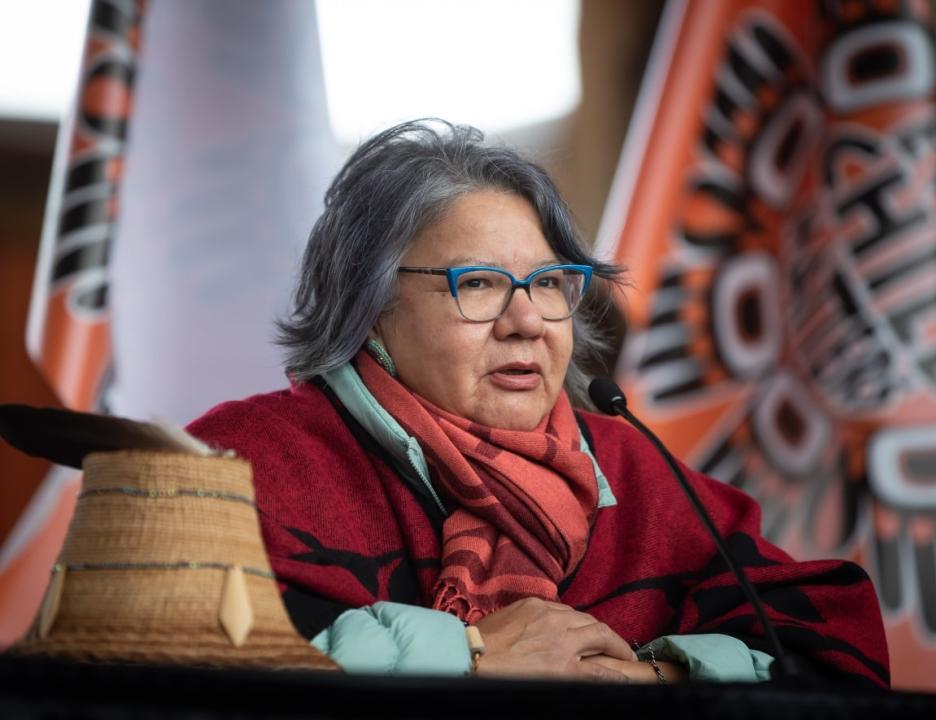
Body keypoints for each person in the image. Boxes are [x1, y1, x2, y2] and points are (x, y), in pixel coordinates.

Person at [187, 120, 889, 685]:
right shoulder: (238, 462)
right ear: (370, 308)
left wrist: (663, 675)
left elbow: (838, 647)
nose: (527, 321)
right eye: (480, 284)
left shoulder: (628, 466)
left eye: (550, 283)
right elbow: (177, 659)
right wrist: (468, 655)